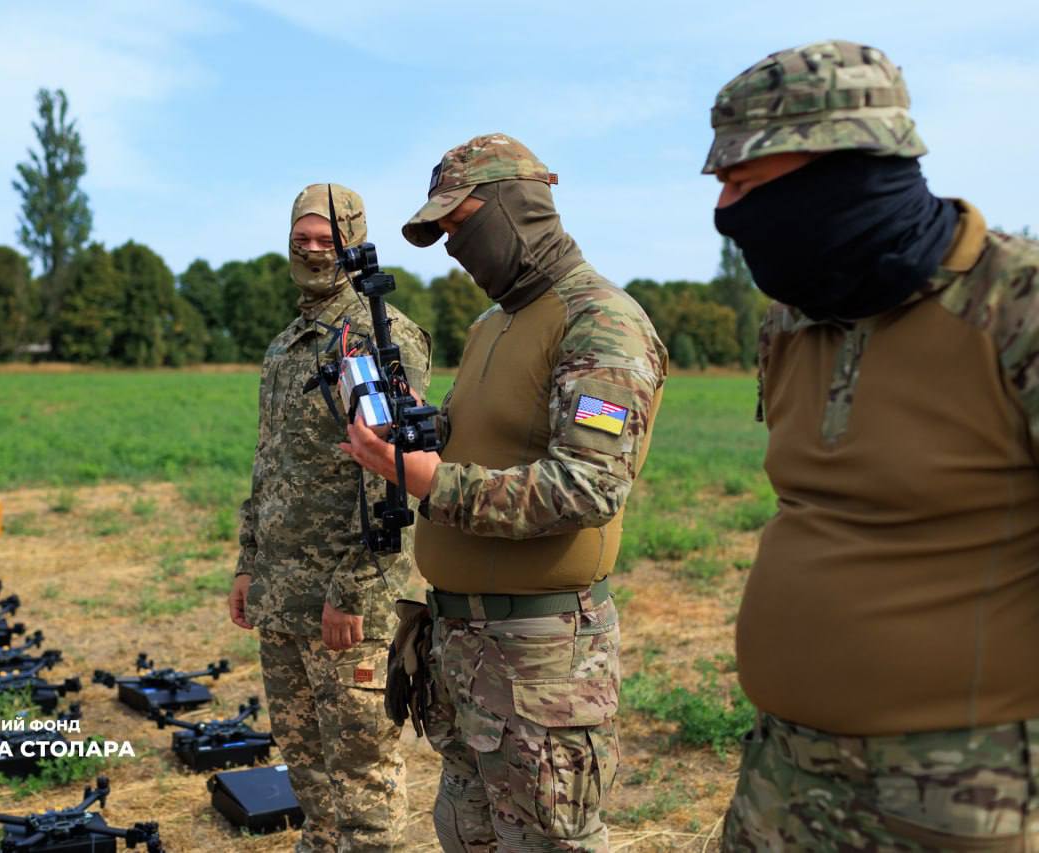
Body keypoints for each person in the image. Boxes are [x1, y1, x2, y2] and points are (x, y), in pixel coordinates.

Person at [702, 41, 1039, 850]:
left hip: (957, 790)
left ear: (847, 163)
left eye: (747, 175)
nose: (725, 205)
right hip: (782, 769)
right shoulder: (790, 316)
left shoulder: (1014, 305)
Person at [341, 133, 668, 852]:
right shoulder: (493, 325)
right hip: (460, 645)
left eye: (463, 225)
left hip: (541, 658)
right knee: (469, 834)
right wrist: (412, 426)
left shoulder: (600, 320)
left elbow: (586, 487)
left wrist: (423, 478)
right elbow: (477, 440)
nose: (456, 250)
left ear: (521, 207)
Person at [229, 182, 432, 852]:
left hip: (348, 605)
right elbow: (269, 465)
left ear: (351, 242)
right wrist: (248, 564)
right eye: (302, 240)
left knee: (362, 775)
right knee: (308, 769)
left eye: (326, 241)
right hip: (283, 596)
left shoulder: (376, 336)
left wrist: (351, 589)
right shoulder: (286, 346)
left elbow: (391, 474)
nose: (312, 252)